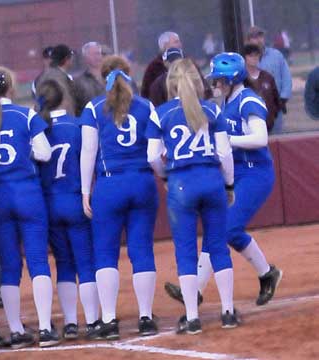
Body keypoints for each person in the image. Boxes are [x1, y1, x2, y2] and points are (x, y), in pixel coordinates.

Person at [164, 53, 282, 311]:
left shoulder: (247, 99)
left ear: (233, 78)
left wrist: (229, 141)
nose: (215, 84)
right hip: (235, 172)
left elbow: (260, 138)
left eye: (220, 79)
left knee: (226, 228)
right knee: (220, 229)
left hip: (255, 173)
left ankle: (199, 290)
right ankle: (262, 275)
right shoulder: (226, 101)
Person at [147, 58, 237, 333]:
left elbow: (152, 156)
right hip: (211, 181)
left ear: (170, 84)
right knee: (218, 247)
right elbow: (224, 154)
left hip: (181, 184)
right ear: (199, 82)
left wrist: (165, 176)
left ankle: (193, 317)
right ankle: (228, 312)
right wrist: (229, 185)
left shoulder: (159, 113)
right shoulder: (212, 109)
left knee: (185, 251)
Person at [80, 55, 159, 340]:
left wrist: (84, 191)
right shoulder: (146, 106)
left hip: (109, 185)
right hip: (141, 181)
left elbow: (88, 152)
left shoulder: (93, 108)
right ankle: (146, 317)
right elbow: (154, 152)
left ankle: (110, 319)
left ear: (104, 78)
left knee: (104, 252)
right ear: (129, 74)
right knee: (142, 250)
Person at [0, 67, 60, 348]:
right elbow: (44, 152)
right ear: (11, 88)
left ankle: (16, 331)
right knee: (37, 261)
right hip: (28, 193)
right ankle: (45, 329)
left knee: (9, 266)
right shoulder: (26, 115)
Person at [37, 77, 100, 340]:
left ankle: (71, 323)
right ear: (65, 97)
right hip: (75, 200)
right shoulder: (77, 126)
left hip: (50, 203)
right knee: (85, 263)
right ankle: (94, 322)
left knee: (63, 264)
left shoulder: (38, 128)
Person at [247, 26, 292, 134]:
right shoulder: (245, 59)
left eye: (260, 36)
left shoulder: (276, 55)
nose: (258, 39)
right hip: (254, 110)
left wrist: (283, 99)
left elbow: (286, 78)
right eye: (254, 37)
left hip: (276, 107)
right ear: (248, 40)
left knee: (277, 140)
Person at [243, 44, 280, 132]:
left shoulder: (267, 77)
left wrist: (272, 116)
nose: (254, 58)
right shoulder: (241, 79)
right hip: (247, 126)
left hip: (268, 125)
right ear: (244, 58)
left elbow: (276, 100)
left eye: (256, 55)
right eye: (251, 55)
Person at [141, 31, 182, 99]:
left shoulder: (187, 63)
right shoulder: (155, 67)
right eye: (176, 42)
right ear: (165, 46)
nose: (180, 44)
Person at [74, 42, 105, 116]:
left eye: (98, 53)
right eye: (93, 54)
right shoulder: (79, 82)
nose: (97, 57)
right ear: (85, 58)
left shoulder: (111, 77)